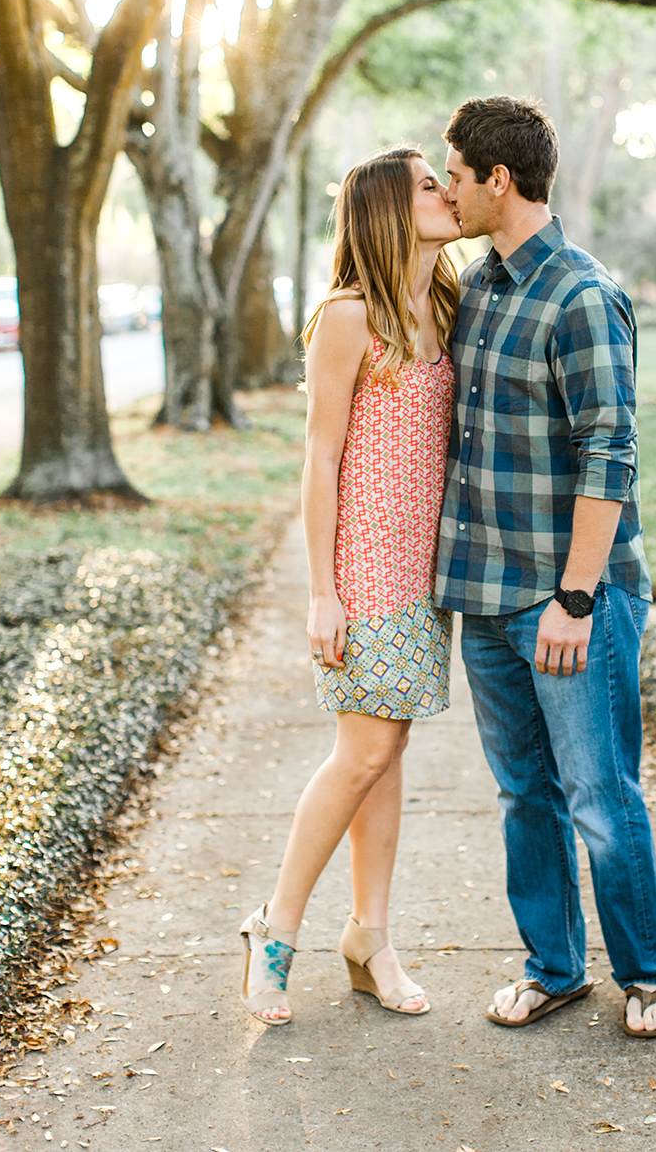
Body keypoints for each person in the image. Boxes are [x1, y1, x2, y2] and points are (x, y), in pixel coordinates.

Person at [435, 96, 656, 1039]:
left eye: (454, 173)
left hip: (572, 593)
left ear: (499, 179)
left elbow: (608, 456)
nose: (447, 189)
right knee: (524, 792)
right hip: (489, 595)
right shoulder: (482, 284)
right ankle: (555, 966)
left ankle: (649, 973)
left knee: (600, 792)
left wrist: (576, 599)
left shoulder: (582, 294)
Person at [239, 147, 461, 1024]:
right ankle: (276, 928)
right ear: (385, 211)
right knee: (362, 751)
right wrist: (320, 590)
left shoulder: (445, 299)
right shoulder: (347, 314)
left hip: (426, 568)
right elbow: (321, 455)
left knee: (388, 750)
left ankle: (369, 937)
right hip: (365, 566)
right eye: (429, 186)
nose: (446, 194)